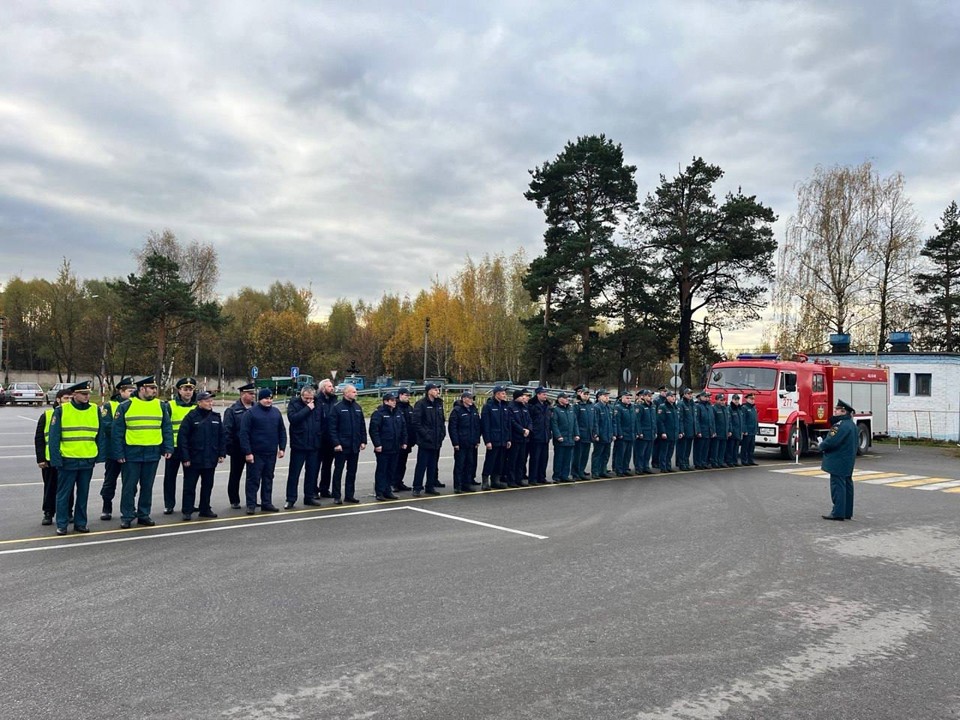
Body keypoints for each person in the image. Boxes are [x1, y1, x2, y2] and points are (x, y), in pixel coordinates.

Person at [112, 376, 174, 529]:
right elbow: (117, 432)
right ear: (141, 389)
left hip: (152, 452)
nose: (154, 390)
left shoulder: (161, 406)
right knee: (129, 487)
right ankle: (127, 516)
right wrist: (119, 453)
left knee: (147, 486)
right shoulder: (126, 406)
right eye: (151, 388)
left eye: (155, 388)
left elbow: (166, 428)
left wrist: (168, 447)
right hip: (132, 452)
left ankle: (143, 514)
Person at [48, 381, 107, 535]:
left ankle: (81, 523)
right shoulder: (62, 410)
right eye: (84, 393)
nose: (87, 396)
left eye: (88, 393)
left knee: (83, 494)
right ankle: (62, 524)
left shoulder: (95, 410)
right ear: (74, 394)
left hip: (87, 459)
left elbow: (100, 434)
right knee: (64, 494)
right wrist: (56, 460)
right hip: (68, 459)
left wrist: (100, 456)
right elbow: (54, 438)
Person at [177, 390, 225, 521]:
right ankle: (187, 510)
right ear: (199, 402)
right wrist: (185, 457)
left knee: (207, 485)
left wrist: (221, 453)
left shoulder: (216, 417)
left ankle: (205, 508)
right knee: (189, 486)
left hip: (210, 458)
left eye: (211, 400)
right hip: (193, 459)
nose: (210, 403)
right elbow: (183, 439)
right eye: (207, 401)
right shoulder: (191, 417)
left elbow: (221, 436)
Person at [239, 388, 287, 513]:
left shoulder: (276, 413)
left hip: (270, 452)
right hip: (256, 453)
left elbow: (281, 431)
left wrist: (282, 448)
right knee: (253, 480)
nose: (268, 401)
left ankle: (267, 502)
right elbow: (244, 434)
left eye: (270, 398)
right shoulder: (251, 413)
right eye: (266, 398)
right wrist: (248, 452)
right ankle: (251, 504)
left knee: (268, 478)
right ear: (260, 399)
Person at [36, 386, 75, 526]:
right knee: (50, 487)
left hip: (67, 457)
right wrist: (40, 458)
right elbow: (39, 438)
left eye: (71, 398)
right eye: (66, 398)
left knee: (68, 488)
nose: (68, 401)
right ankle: (48, 513)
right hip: (49, 459)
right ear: (58, 400)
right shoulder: (47, 415)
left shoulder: (72, 415)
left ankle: (68, 512)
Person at [99, 376, 135, 520]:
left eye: (134, 390)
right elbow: (106, 426)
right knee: (110, 480)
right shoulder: (110, 405)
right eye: (129, 390)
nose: (132, 393)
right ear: (121, 391)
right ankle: (106, 506)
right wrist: (123, 429)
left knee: (131, 481)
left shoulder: (136, 404)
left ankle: (130, 507)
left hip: (130, 449)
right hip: (113, 450)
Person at [284, 385, 323, 509]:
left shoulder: (318, 403)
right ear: (301, 396)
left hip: (314, 444)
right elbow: (293, 419)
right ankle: (290, 499)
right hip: (299, 445)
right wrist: (307, 408)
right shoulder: (294, 403)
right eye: (306, 398)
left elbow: (322, 421)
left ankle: (309, 497)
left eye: (311, 398)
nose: (309, 400)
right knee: (294, 474)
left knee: (311, 473)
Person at [162, 377, 197, 514]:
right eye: (185, 389)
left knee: (190, 479)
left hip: (191, 448)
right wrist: (167, 447)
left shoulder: (196, 406)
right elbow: (166, 428)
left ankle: (188, 504)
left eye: (191, 389)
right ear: (179, 390)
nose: (188, 392)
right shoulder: (170, 406)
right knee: (170, 477)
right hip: (174, 447)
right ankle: (169, 504)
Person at [327, 383, 366, 504]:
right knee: (338, 471)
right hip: (342, 446)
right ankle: (336, 495)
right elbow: (332, 428)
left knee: (352, 472)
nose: (356, 393)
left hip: (354, 445)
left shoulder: (357, 407)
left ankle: (349, 495)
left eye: (355, 392)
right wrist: (336, 443)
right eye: (353, 392)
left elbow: (362, 426)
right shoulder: (337, 407)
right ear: (346, 393)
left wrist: (363, 440)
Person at [820, 399, 858, 521]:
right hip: (848, 460)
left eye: (837, 409)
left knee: (838, 486)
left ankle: (838, 512)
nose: (834, 411)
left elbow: (832, 441)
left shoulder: (840, 425)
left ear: (843, 411)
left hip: (838, 460)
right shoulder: (852, 425)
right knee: (847, 485)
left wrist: (821, 446)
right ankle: (847, 512)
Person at [223, 382, 256, 509]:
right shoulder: (232, 410)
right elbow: (227, 430)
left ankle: (252, 499)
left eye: (253, 393)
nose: (253, 396)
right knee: (235, 475)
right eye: (250, 393)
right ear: (242, 394)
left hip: (254, 447)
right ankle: (234, 500)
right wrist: (230, 448)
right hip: (238, 448)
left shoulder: (257, 408)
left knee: (253, 476)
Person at [368, 391, 406, 501]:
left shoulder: (398, 413)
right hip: (384, 447)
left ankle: (388, 490)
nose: (394, 402)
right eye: (392, 400)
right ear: (386, 401)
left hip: (395, 446)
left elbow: (403, 428)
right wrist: (377, 444)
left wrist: (404, 441)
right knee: (382, 470)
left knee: (391, 470)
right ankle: (379, 492)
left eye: (395, 400)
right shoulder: (379, 413)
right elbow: (374, 430)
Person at [412, 382, 446, 496]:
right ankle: (417, 487)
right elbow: (416, 423)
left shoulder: (439, 404)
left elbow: (442, 421)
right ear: (429, 391)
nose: (438, 392)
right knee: (422, 465)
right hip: (425, 441)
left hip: (436, 440)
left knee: (433, 465)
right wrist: (426, 435)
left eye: (438, 390)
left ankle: (430, 486)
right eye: (435, 389)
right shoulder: (421, 404)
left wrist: (442, 434)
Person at [448, 390, 481, 493]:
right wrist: (455, 443)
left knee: (469, 464)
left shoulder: (473, 410)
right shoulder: (457, 411)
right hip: (461, 442)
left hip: (471, 442)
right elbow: (452, 428)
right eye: (470, 398)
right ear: (464, 399)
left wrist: (477, 440)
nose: (472, 400)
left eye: (472, 398)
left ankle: (467, 484)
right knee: (459, 465)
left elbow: (477, 426)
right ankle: (458, 486)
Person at [480, 385, 511, 490]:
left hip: (503, 439)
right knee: (490, 460)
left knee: (500, 461)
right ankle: (485, 481)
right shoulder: (488, 406)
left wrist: (508, 439)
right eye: (503, 393)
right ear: (497, 394)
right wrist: (487, 440)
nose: (505, 395)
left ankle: (495, 480)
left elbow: (508, 424)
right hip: (493, 439)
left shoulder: (505, 406)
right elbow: (485, 425)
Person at [316, 378, 339, 498]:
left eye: (332, 386)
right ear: (323, 388)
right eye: (329, 386)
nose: (332, 388)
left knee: (327, 466)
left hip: (331, 440)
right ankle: (313, 490)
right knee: (315, 466)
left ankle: (324, 489)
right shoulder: (317, 401)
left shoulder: (335, 401)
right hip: (319, 439)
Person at [550, 391, 579, 483]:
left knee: (567, 459)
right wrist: (558, 436)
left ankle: (565, 475)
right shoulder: (556, 410)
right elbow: (554, 424)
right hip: (561, 438)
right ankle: (557, 476)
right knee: (559, 458)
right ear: (559, 399)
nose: (567, 400)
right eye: (565, 398)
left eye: (567, 398)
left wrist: (577, 434)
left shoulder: (571, 409)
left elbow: (575, 423)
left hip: (570, 438)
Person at [506, 388, 532, 487]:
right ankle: (511, 480)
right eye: (521, 396)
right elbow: (512, 422)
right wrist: (522, 430)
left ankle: (519, 478)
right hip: (515, 437)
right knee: (513, 460)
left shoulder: (524, 407)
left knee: (521, 460)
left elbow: (529, 420)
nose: (523, 398)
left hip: (524, 438)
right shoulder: (511, 407)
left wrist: (528, 429)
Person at [527, 386, 552, 485]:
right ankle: (533, 478)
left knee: (543, 459)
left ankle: (542, 477)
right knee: (535, 458)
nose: (545, 396)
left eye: (546, 394)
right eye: (543, 394)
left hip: (545, 436)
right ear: (538, 395)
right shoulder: (532, 406)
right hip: (536, 436)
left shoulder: (547, 406)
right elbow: (530, 421)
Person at [392, 386, 416, 492]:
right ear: (400, 395)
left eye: (409, 395)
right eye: (406, 395)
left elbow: (412, 424)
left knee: (402, 463)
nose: (408, 397)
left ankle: (399, 482)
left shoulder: (409, 408)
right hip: (397, 441)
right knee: (395, 463)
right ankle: (392, 483)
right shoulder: (395, 407)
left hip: (407, 441)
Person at [590, 389, 613, 479]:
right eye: (605, 395)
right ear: (599, 397)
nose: (607, 397)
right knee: (597, 454)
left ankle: (603, 470)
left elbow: (612, 422)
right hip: (601, 435)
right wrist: (596, 434)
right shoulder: (597, 407)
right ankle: (595, 472)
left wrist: (612, 433)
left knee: (606, 454)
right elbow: (595, 422)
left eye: (607, 396)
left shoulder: (609, 407)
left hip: (608, 435)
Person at [656, 390, 681, 472]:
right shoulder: (663, 407)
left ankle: (668, 466)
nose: (673, 398)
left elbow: (678, 421)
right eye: (671, 396)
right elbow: (660, 421)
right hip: (666, 433)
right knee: (664, 451)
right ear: (667, 397)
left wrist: (679, 432)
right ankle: (663, 467)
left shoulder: (675, 407)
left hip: (673, 433)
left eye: (674, 396)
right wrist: (663, 432)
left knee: (670, 452)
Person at [572, 385, 594, 480]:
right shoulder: (577, 406)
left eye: (588, 394)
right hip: (581, 434)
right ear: (580, 394)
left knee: (585, 455)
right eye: (584, 394)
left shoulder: (591, 405)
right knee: (577, 455)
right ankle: (575, 473)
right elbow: (575, 421)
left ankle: (581, 471)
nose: (586, 395)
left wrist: (594, 432)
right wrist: (576, 433)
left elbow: (594, 420)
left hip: (588, 435)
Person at [611, 391, 635, 476]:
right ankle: (619, 470)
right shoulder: (618, 408)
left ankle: (625, 468)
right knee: (620, 454)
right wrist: (619, 433)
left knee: (627, 454)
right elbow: (617, 422)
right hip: (622, 435)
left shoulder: (631, 407)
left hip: (630, 434)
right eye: (627, 398)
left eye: (630, 398)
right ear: (622, 398)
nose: (629, 400)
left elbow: (633, 422)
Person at [633, 389, 655, 474]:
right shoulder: (640, 406)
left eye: (651, 396)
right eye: (648, 396)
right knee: (640, 452)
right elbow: (637, 421)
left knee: (648, 452)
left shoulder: (652, 406)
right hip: (643, 433)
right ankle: (639, 467)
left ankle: (646, 466)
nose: (650, 397)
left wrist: (654, 431)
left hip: (650, 433)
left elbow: (654, 420)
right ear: (644, 396)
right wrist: (639, 432)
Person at [693, 391, 716, 470]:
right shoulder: (698, 406)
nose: (707, 398)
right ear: (701, 397)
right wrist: (698, 431)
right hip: (702, 431)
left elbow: (712, 420)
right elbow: (697, 420)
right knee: (699, 448)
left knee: (706, 448)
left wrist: (713, 431)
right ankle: (698, 463)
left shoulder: (709, 406)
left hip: (708, 431)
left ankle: (703, 462)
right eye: (705, 397)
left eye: (708, 397)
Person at [676, 388, 696, 471]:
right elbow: (680, 419)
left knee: (688, 449)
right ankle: (681, 464)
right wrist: (681, 430)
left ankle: (686, 463)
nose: (690, 395)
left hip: (691, 430)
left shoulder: (692, 404)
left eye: (691, 394)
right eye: (688, 394)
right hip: (684, 430)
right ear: (684, 394)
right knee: (682, 449)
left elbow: (694, 418)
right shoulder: (681, 404)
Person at [710, 393, 730, 469]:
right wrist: (714, 431)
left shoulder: (725, 408)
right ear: (717, 400)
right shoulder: (714, 408)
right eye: (721, 400)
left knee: (722, 449)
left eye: (723, 400)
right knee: (715, 449)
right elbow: (713, 421)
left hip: (724, 432)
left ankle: (720, 461)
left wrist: (728, 430)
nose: (722, 402)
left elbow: (728, 421)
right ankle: (714, 462)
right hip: (717, 432)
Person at [740, 393, 759, 466]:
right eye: (751, 399)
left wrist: (756, 429)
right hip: (747, 431)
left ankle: (750, 460)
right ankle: (744, 460)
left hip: (753, 431)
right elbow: (743, 420)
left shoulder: (753, 408)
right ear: (747, 399)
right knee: (745, 446)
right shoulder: (744, 408)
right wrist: (744, 430)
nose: (752, 400)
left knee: (751, 447)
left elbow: (755, 420)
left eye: (753, 399)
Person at [726, 394, 743, 467]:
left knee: (736, 448)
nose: (736, 401)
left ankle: (734, 460)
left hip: (738, 432)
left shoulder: (739, 409)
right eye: (735, 399)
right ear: (732, 400)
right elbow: (729, 421)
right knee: (730, 448)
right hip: (733, 432)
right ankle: (729, 461)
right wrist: (730, 430)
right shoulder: (730, 408)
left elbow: (741, 421)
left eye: (738, 400)